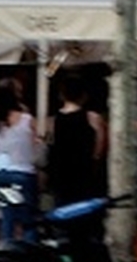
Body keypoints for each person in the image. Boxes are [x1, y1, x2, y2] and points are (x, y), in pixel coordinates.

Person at [43, 74, 108, 209]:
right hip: (85, 171)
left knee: (63, 212)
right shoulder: (93, 118)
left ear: (61, 95)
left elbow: (47, 144)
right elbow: (99, 148)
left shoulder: (51, 121)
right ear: (84, 95)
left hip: (61, 174)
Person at [0, 83, 38, 239]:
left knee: (8, 216)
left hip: (3, 174)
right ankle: (30, 251)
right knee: (29, 219)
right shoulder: (27, 120)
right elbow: (37, 145)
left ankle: (6, 246)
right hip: (25, 173)